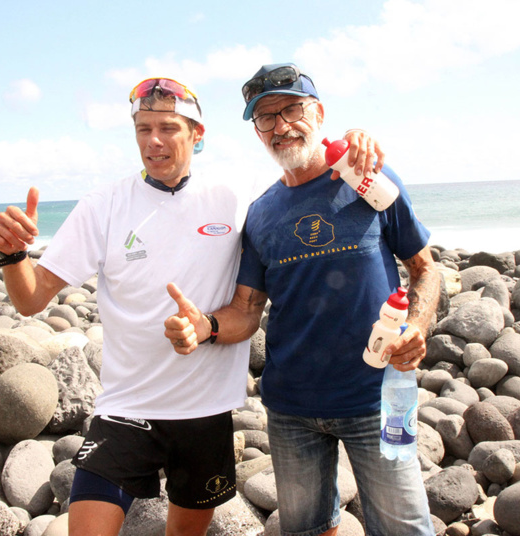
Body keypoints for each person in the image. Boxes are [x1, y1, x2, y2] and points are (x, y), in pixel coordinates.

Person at [0, 75, 383, 536]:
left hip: (205, 411)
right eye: (143, 129)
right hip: (126, 407)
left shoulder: (237, 193)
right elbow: (31, 299)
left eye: (169, 128)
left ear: (197, 136)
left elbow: (303, 169)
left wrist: (353, 142)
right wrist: (14, 256)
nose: (154, 141)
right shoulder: (104, 205)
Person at [164, 63, 440, 536]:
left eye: (292, 109)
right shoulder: (262, 213)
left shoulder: (370, 179)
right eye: (265, 118)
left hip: (378, 397)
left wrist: (416, 326)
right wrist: (206, 326)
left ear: (319, 113)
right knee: (306, 531)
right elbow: (247, 311)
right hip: (292, 408)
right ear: (256, 132)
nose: (281, 126)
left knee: (405, 530)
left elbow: (425, 269)